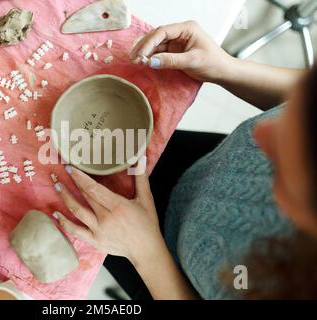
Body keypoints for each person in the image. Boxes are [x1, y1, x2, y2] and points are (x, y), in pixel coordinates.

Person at [52, 21, 317, 299]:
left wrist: (145, 251)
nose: (262, 133)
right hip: (209, 166)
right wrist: (226, 68)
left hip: (168, 273)